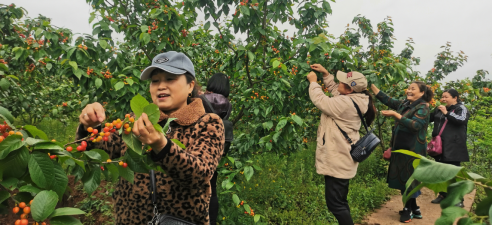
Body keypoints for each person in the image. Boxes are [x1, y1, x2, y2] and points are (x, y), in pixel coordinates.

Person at [76, 51, 225, 224]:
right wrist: (91, 126)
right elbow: (104, 151)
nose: (161, 86)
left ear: (190, 86)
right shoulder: (137, 121)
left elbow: (200, 174)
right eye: (155, 81)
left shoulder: (208, 123)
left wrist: (162, 146)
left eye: (170, 78)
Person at [308, 64, 376, 225]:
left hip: (338, 159)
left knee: (336, 205)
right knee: (340, 201)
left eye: (341, 82)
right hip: (341, 158)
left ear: (350, 90)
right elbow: (336, 91)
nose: (338, 84)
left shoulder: (345, 104)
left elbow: (320, 100)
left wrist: (313, 82)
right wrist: (326, 74)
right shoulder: (356, 98)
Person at [371, 81, 433, 223]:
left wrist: (396, 115)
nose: (409, 90)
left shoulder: (423, 107)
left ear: (422, 93)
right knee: (403, 179)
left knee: (410, 180)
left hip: (414, 150)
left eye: (413, 89)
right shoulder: (405, 104)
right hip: (401, 148)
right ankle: (415, 208)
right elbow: (387, 99)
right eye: (409, 88)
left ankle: (407, 210)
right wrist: (372, 85)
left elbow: (416, 125)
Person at [200, 73, 233, 224]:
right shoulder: (228, 104)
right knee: (211, 188)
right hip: (214, 150)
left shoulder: (200, 98)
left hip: (197, 145)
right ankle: (211, 220)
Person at [429, 89, 470, 206]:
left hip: (454, 146)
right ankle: (443, 194)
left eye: (446, 97)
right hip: (439, 145)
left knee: (453, 172)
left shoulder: (461, 108)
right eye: (442, 97)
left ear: (455, 98)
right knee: (441, 171)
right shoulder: (440, 108)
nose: (443, 99)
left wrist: (447, 113)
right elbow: (429, 119)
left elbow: (461, 120)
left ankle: (458, 199)